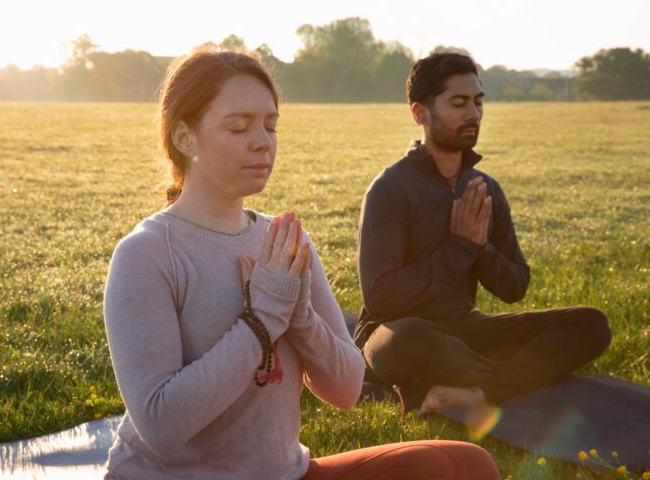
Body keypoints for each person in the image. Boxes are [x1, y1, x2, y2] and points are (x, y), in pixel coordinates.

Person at [103, 48, 501, 479]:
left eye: (270, 126)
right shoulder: (147, 253)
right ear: (184, 137)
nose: (263, 141)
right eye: (238, 127)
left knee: (466, 465)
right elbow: (161, 426)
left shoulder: (285, 241)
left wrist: (299, 316)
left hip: (285, 473)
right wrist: (262, 320)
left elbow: (346, 389)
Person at [354, 52, 612, 416]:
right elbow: (382, 299)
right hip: (396, 333)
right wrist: (460, 248)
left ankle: (476, 391)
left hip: (465, 331)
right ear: (420, 113)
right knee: (410, 339)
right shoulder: (390, 189)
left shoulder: (485, 188)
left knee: (590, 324)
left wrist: (480, 249)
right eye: (458, 103)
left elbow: (514, 287)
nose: (473, 114)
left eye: (478, 102)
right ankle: (510, 379)